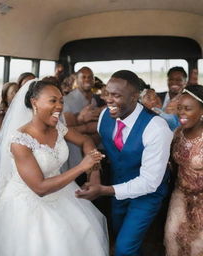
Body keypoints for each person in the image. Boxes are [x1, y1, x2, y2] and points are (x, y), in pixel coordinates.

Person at [0, 80, 109, 256]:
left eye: (61, 101)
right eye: (53, 101)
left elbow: (86, 141)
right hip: (28, 203)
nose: (59, 106)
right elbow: (39, 187)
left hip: (62, 192)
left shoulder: (58, 127)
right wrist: (81, 167)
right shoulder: (20, 141)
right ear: (34, 103)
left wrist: (94, 175)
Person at [76, 70, 173, 256]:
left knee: (123, 248)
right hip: (117, 189)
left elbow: (150, 182)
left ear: (135, 97)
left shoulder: (156, 128)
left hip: (147, 195)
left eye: (116, 95)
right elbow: (95, 145)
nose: (108, 100)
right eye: (107, 94)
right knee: (123, 238)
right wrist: (94, 174)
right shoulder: (105, 116)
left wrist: (103, 190)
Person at [165, 85, 203, 256]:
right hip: (180, 195)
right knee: (173, 240)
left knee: (197, 248)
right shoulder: (177, 133)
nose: (181, 113)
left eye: (188, 109)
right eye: (179, 108)